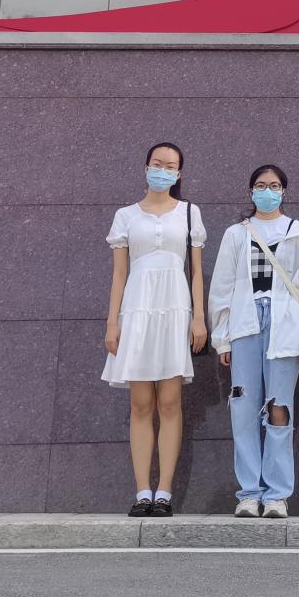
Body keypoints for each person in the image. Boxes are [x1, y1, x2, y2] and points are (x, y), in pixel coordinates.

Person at [208, 164, 299, 519]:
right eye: (261, 185)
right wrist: (222, 338)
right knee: (243, 408)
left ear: (283, 191)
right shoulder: (236, 234)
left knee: (279, 409)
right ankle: (249, 493)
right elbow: (222, 287)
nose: (267, 191)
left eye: (274, 186)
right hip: (245, 325)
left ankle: (277, 495)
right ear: (251, 191)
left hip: (285, 326)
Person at [101, 140, 207, 517]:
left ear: (179, 173)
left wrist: (198, 317)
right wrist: (112, 322)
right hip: (137, 309)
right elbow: (119, 275)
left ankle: (164, 491)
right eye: (157, 163)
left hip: (175, 308)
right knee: (141, 403)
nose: (163, 170)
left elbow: (196, 272)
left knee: (170, 402)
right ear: (145, 167)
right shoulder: (126, 216)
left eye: (170, 166)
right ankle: (142, 490)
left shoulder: (189, 213)